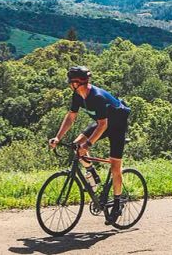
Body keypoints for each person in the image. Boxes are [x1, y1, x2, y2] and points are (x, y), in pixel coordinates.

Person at [48, 66, 131, 224]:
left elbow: (102, 125)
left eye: (70, 82)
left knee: (115, 167)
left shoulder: (97, 97)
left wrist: (89, 143)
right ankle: (91, 171)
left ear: (78, 83)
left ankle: (117, 204)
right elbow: (71, 116)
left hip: (116, 126)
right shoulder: (78, 95)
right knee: (76, 146)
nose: (69, 84)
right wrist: (58, 137)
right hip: (104, 123)